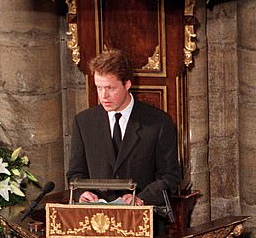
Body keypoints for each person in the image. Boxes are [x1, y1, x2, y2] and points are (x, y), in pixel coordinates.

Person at [67, 48, 182, 207]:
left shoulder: (158, 123)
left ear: (127, 84)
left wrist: (142, 198)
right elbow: (75, 174)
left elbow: (170, 176)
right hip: (96, 219)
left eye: (110, 88)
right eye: (99, 88)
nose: (103, 96)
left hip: (142, 219)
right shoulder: (83, 122)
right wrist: (81, 193)